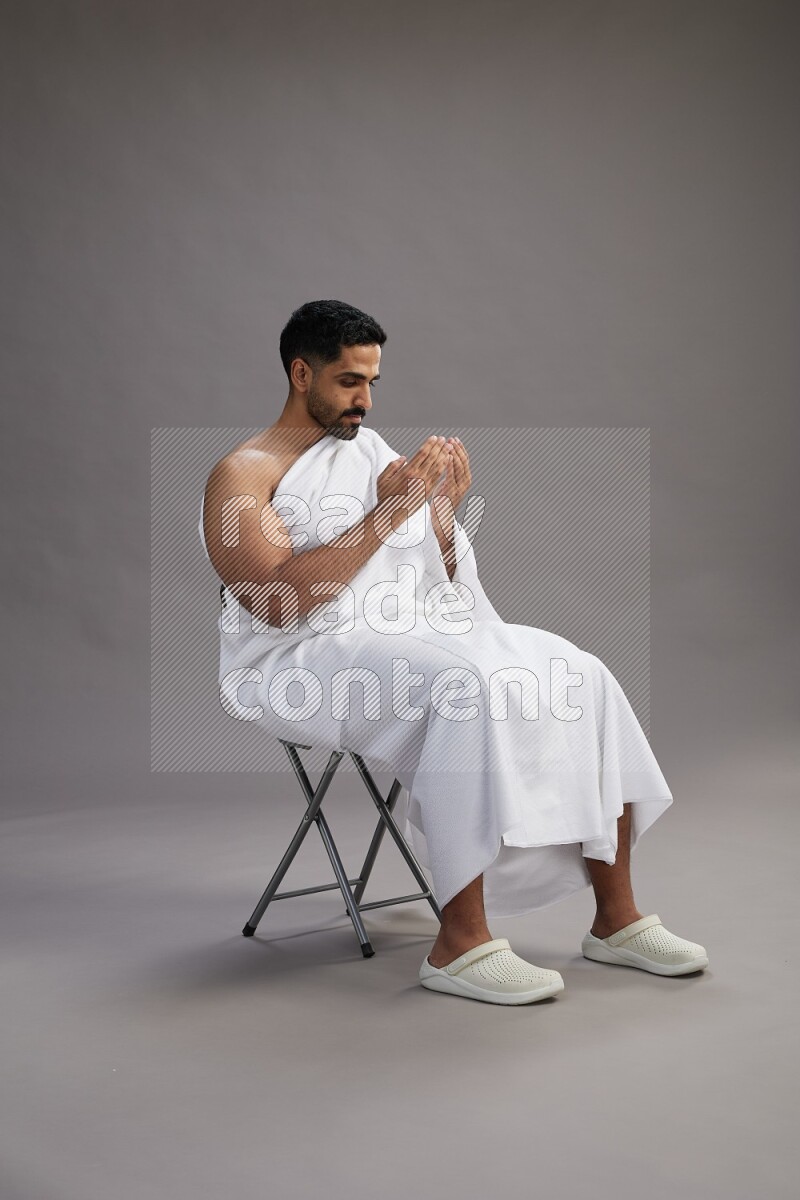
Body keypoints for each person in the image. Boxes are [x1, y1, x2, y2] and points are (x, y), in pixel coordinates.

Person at [199, 299, 708, 1005]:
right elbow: (274, 600)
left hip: (402, 631)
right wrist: (385, 514)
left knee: (581, 674)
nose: (365, 401)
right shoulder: (243, 475)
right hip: (301, 660)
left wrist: (437, 516)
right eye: (349, 381)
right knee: (460, 686)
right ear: (299, 372)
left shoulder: (373, 456)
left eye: (373, 382)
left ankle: (615, 920)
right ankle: (458, 943)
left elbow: (437, 586)